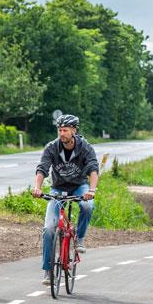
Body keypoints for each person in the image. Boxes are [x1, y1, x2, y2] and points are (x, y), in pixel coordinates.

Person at [32, 114, 99, 285]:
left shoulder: (85, 147)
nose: (62, 133)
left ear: (74, 131)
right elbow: (42, 169)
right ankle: (48, 270)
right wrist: (38, 188)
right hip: (58, 189)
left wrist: (91, 190)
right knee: (48, 229)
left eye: (65, 130)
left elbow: (93, 169)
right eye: (59, 130)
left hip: (79, 187)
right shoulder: (52, 147)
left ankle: (80, 238)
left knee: (87, 206)